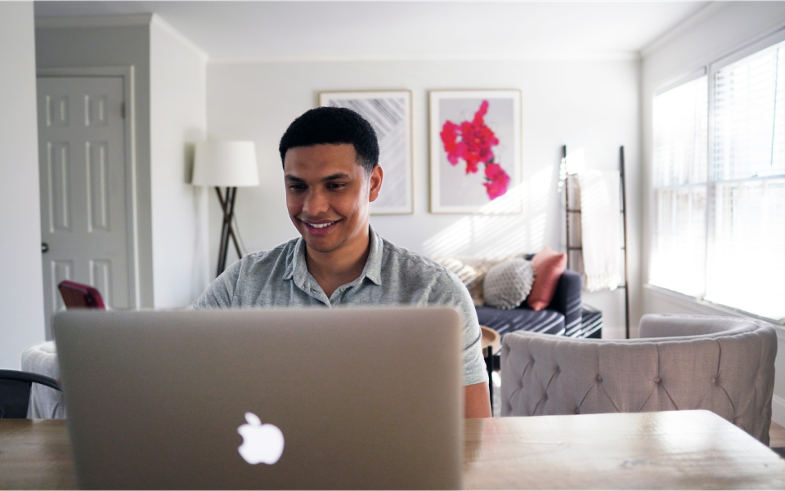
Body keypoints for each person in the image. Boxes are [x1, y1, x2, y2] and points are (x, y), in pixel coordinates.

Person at [193, 107, 491, 418]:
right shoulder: (243, 283)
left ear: (373, 183)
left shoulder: (436, 292)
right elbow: (182, 377)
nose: (313, 208)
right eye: (297, 186)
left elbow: (477, 431)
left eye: (335, 185)